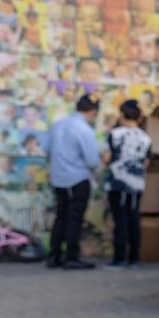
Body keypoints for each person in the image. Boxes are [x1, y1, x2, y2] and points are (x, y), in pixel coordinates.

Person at [46, 93, 101, 269]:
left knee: (60, 216)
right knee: (75, 218)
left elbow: (47, 149)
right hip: (78, 179)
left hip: (58, 178)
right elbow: (92, 161)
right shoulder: (85, 130)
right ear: (93, 112)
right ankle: (71, 257)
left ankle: (54, 256)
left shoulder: (57, 125)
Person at [103, 99, 153, 269]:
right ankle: (134, 258)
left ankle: (119, 259)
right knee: (133, 219)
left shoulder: (115, 134)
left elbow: (107, 158)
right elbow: (146, 162)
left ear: (122, 115)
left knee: (120, 221)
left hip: (117, 184)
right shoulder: (145, 137)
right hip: (137, 185)